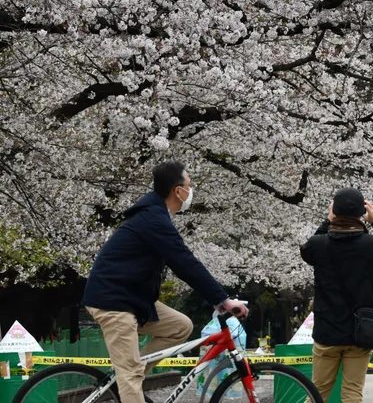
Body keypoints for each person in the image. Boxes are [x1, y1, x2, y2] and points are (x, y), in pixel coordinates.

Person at [82, 161, 250, 403]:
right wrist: (222, 299)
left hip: (131, 297)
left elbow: (183, 263)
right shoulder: (153, 219)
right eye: (189, 186)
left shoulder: (155, 215)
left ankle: (132, 375)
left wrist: (218, 302)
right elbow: (184, 262)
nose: (191, 192)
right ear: (177, 191)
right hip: (113, 301)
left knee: (180, 326)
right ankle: (129, 380)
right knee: (129, 374)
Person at [300, 187, 373, 403]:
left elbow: (308, 249)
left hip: (327, 331)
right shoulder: (372, 245)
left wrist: (327, 222)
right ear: (361, 213)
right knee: (352, 394)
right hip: (360, 331)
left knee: (317, 392)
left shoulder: (319, 244)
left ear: (334, 212)